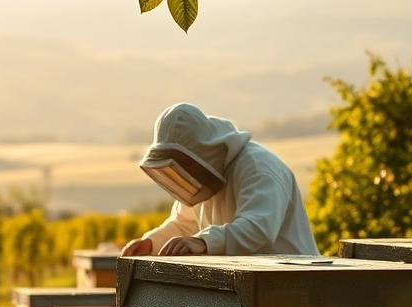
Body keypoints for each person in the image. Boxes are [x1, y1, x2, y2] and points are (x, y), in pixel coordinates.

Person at [121, 103, 319, 257]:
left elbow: (257, 229)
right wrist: (152, 243)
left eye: (185, 164)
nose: (182, 173)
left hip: (295, 286)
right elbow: (185, 224)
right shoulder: (205, 179)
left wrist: (204, 242)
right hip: (250, 290)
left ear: (203, 151)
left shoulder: (259, 168)